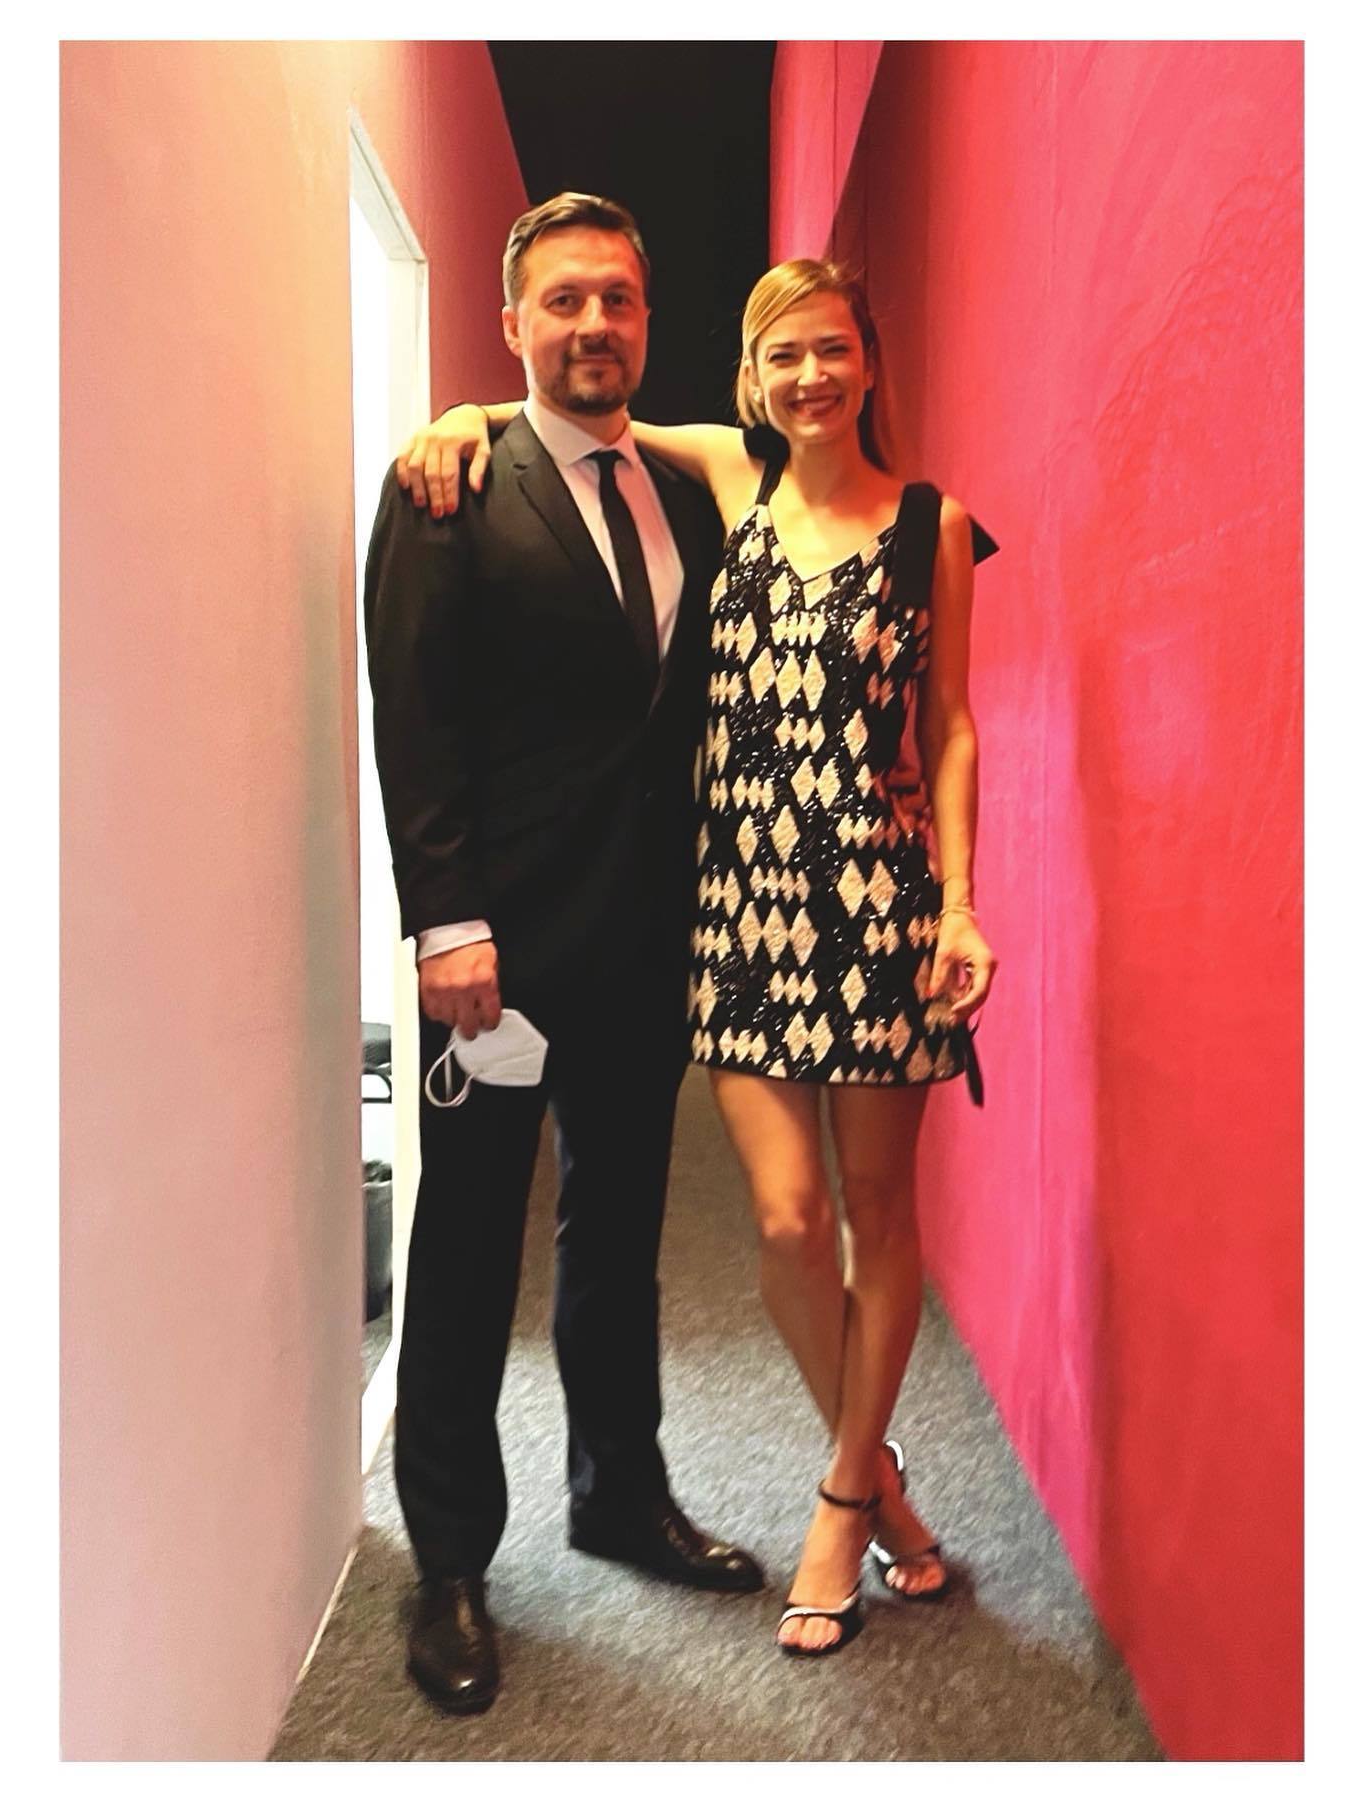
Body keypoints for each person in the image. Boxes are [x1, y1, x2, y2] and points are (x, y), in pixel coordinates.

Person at [399, 254, 1000, 1660]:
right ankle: (869, 1481)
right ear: (749, 375)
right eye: (783, 354)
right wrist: (465, 414)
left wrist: (963, 903)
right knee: (777, 1226)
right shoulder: (730, 477)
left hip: (873, 907)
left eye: (834, 349)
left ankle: (831, 1502)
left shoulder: (932, 525)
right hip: (732, 920)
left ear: (869, 359)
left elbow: (954, 724)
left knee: (833, 1220)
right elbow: (573, 414)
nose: (811, 376)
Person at [363, 192, 764, 1718]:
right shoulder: (449, 488)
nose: (594, 323)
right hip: (499, 955)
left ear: (647, 321)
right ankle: (451, 1561)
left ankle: (620, 1495)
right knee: (469, 1250)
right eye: (565, 300)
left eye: (618, 300)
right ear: (512, 321)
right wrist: (447, 924)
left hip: (648, 939)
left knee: (617, 1237)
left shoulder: (689, 490)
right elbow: (417, 718)